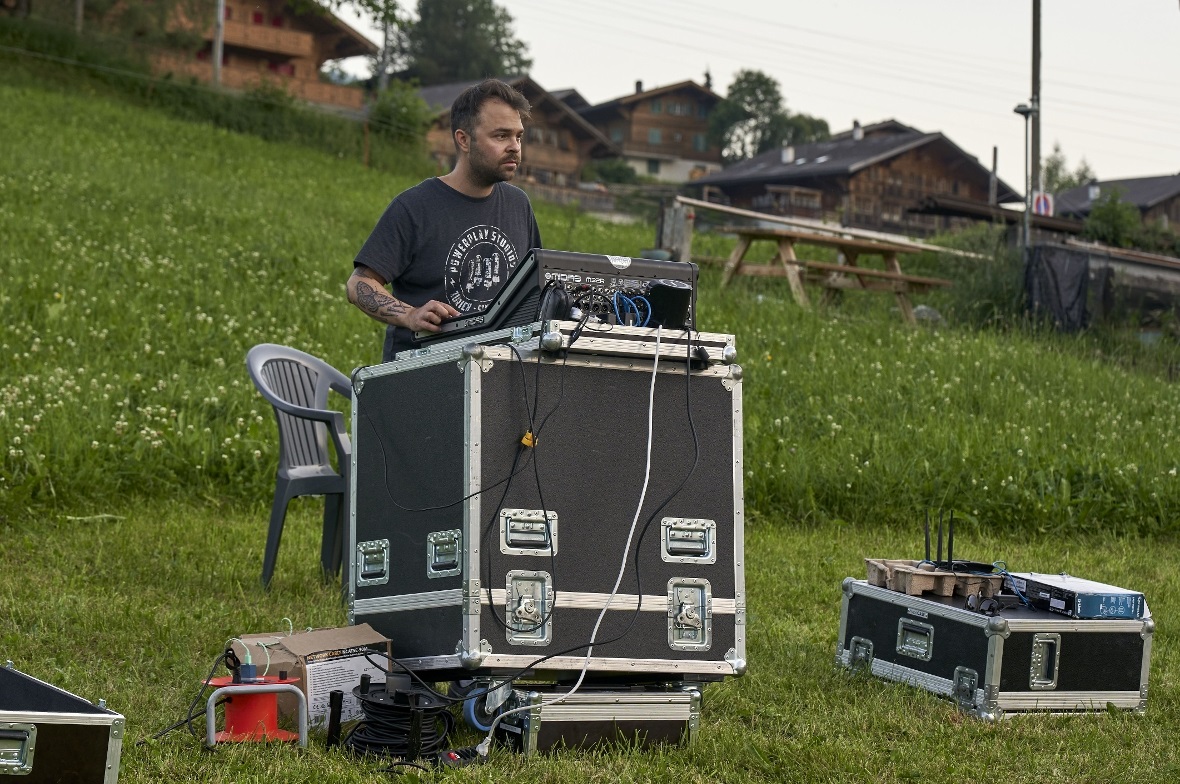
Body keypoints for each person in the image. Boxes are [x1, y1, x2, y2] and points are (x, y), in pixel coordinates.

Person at [348, 79, 543, 362]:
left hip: (500, 376)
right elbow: (358, 285)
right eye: (501, 136)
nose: (514, 147)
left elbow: (535, 288)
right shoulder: (414, 207)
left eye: (518, 136)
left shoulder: (518, 204)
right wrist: (410, 315)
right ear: (463, 139)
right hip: (422, 378)